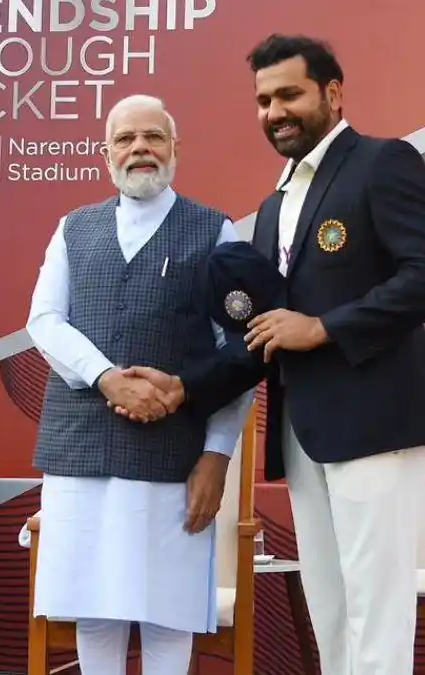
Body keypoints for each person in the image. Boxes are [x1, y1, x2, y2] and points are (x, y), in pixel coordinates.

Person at [127, 34, 425, 675]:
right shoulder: (273, 208)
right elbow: (262, 335)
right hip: (302, 434)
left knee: (376, 608)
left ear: (333, 93)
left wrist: (324, 327)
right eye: (264, 101)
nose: (275, 112)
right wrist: (185, 387)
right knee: (331, 609)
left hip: (376, 428)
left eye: (290, 94)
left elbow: (420, 274)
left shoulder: (382, 163)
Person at [26, 93, 254, 675]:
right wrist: (106, 379)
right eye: (125, 139)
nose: (140, 149)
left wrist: (217, 457)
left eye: (153, 136)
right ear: (106, 154)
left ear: (176, 148)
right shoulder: (73, 228)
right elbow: (44, 321)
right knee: (93, 612)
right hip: (80, 451)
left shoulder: (215, 231)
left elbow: (239, 355)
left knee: (167, 614)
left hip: (173, 457)